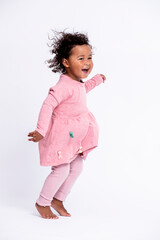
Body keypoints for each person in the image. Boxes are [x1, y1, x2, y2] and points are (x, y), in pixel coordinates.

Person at [28, 30, 106, 219]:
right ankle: (42, 202)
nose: (87, 62)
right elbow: (48, 105)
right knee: (61, 169)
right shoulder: (62, 86)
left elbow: (81, 90)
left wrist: (96, 80)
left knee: (77, 166)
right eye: (81, 58)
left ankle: (58, 199)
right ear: (65, 62)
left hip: (75, 136)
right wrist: (41, 130)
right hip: (62, 136)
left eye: (89, 57)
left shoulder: (76, 82)